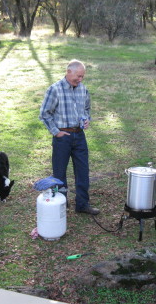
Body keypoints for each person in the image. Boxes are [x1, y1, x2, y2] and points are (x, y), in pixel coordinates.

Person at [39, 60, 100, 215]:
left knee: (83, 171)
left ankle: (82, 204)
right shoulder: (55, 89)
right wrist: (56, 132)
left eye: (82, 77)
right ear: (68, 72)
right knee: (59, 173)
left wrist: (86, 119)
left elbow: (87, 108)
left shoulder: (83, 89)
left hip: (79, 135)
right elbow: (44, 113)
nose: (80, 80)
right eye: (78, 76)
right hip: (62, 137)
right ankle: (61, 203)